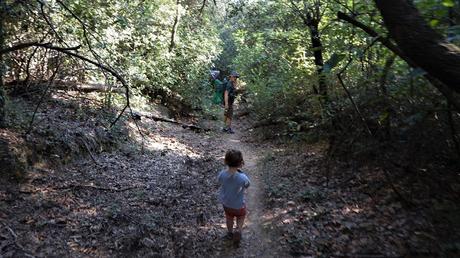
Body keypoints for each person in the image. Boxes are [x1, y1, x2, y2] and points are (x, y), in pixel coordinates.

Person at [217, 149, 250, 245]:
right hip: (239, 205)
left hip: (226, 203)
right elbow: (247, 185)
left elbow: (219, 181)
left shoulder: (222, 174)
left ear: (226, 161)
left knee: (229, 217)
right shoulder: (243, 177)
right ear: (240, 163)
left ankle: (230, 232)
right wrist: (241, 174)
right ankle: (238, 230)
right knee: (241, 216)